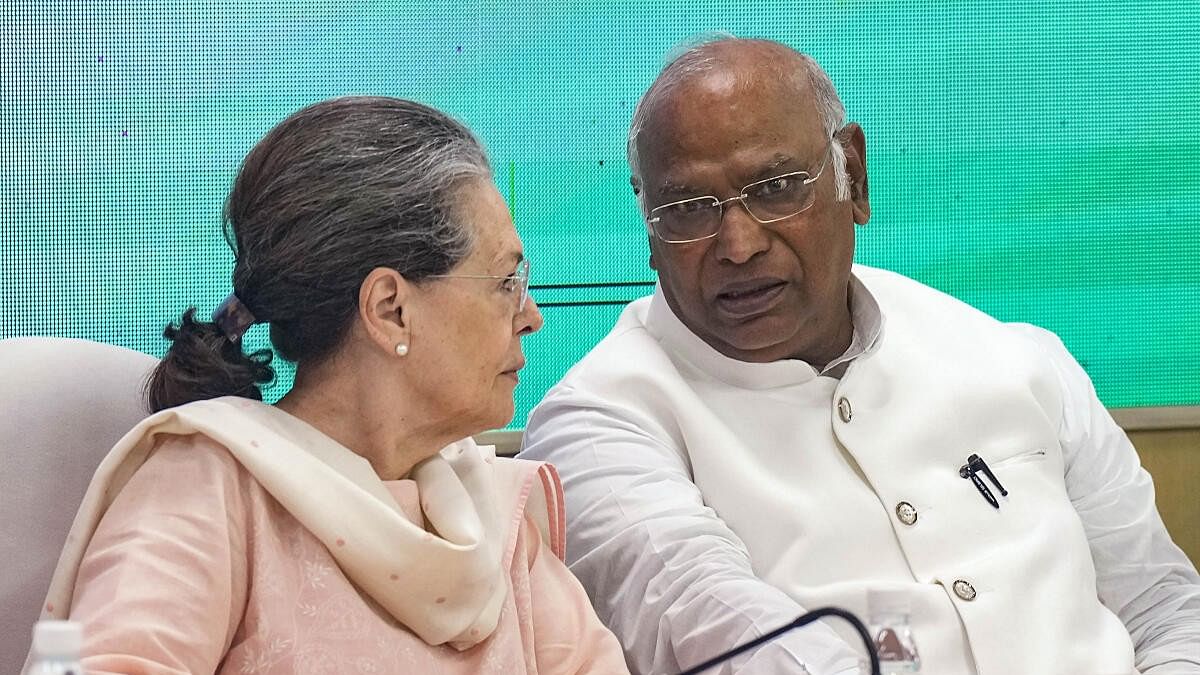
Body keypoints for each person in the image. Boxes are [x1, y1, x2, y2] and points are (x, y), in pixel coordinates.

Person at [520, 38, 1200, 674]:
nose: (738, 245)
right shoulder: (597, 424)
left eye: (775, 187)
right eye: (690, 208)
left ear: (855, 174)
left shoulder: (1013, 357)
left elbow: (1164, 608)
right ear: (648, 224)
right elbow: (729, 637)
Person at [33, 96, 629, 674]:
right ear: (391, 308)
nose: (532, 316)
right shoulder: (207, 489)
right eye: (506, 281)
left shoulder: (496, 514)